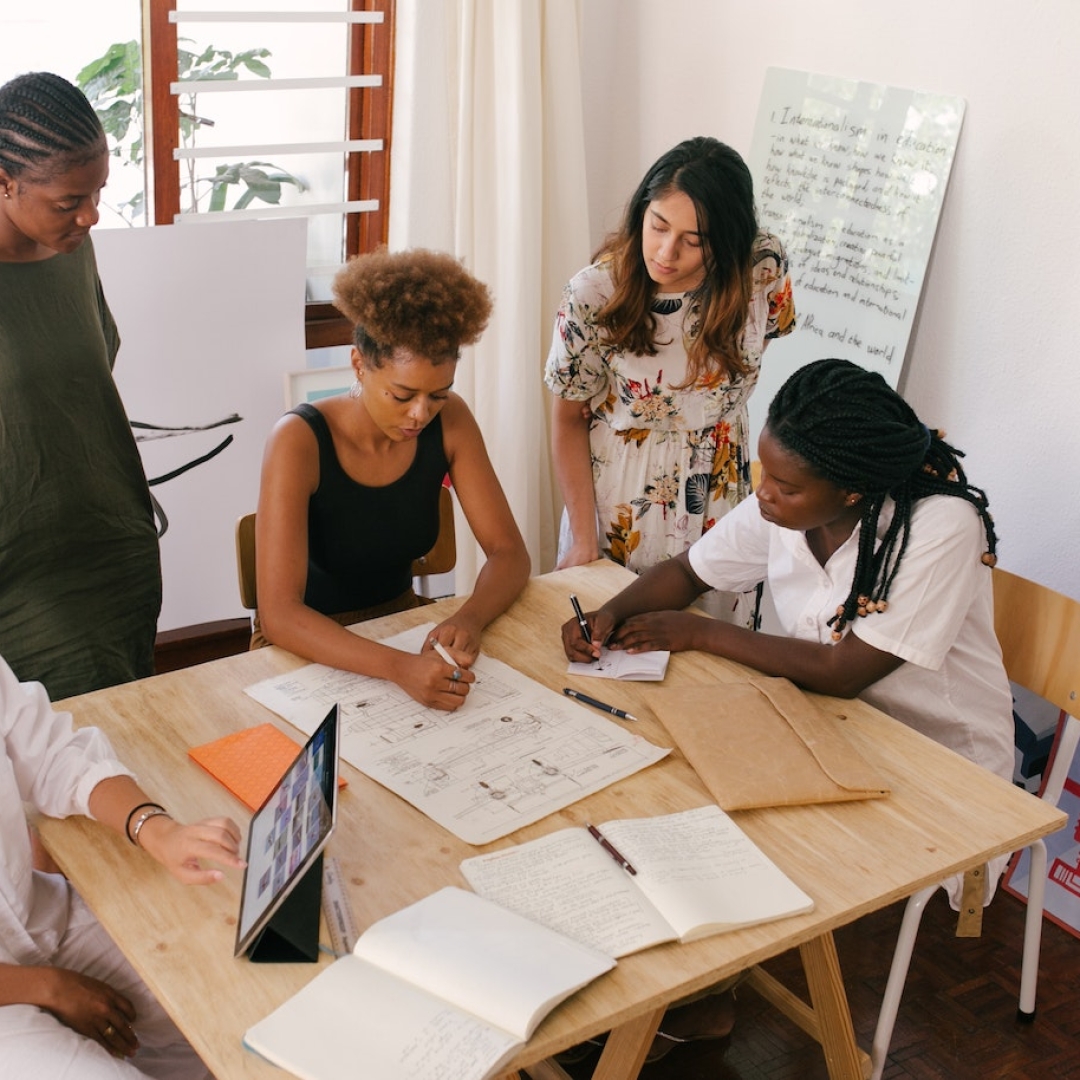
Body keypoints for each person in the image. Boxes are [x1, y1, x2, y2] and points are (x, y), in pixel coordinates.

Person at [563, 357, 1015, 807]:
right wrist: (610, 614)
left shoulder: (941, 525)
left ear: (850, 490)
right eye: (767, 472)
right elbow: (687, 572)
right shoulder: (785, 506)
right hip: (834, 729)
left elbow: (844, 672)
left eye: (786, 486)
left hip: (945, 768)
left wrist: (699, 631)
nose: (763, 491)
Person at [255, 247, 531, 711]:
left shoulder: (451, 422)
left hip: (401, 626)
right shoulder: (298, 440)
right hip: (306, 648)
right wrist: (399, 668)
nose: (420, 414)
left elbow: (509, 553)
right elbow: (280, 615)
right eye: (402, 395)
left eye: (438, 395)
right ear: (359, 365)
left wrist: (470, 617)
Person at [544, 136, 795, 598]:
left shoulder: (762, 268)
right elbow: (565, 420)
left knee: (715, 658)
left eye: (693, 240)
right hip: (624, 502)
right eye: (657, 225)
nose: (665, 251)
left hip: (723, 495)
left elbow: (751, 354)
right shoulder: (594, 293)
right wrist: (583, 539)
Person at [0, 651, 244, 1077]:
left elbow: (50, 755)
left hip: (37, 917)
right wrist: (47, 987)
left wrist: (156, 829)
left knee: (223, 998)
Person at [0, 72, 161, 701]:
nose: (91, 216)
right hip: (21, 569)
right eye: (69, 201)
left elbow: (87, 375)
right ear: (4, 180)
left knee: (125, 739)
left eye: (97, 192)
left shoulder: (71, 247)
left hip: (114, 540)